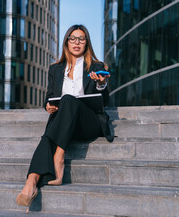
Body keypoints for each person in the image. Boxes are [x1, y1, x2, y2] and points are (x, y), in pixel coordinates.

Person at [15, 24, 113, 213]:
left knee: (68, 101)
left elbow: (104, 102)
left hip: (88, 122)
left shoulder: (97, 66)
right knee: (55, 119)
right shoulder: (55, 69)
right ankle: (31, 182)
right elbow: (50, 95)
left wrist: (101, 85)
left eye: (81, 39)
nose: (77, 42)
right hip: (65, 122)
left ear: (87, 43)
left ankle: (59, 158)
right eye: (72, 38)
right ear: (66, 42)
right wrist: (48, 105)